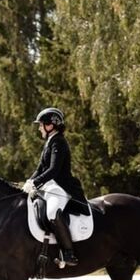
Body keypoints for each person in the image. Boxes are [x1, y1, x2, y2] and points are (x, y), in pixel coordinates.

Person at [22, 107, 88, 267]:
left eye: (41, 124)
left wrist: (36, 183)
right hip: (49, 187)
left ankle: (68, 253)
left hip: (61, 187)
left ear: (51, 125)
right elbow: (40, 168)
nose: (39, 128)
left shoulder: (59, 142)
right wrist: (28, 182)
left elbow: (53, 170)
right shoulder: (50, 142)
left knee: (52, 212)